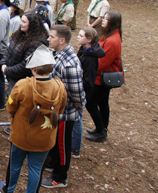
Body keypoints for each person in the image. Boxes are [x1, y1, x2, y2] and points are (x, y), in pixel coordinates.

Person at [0, 45, 67, 193]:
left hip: (21, 136)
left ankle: (9, 189)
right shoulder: (60, 87)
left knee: (15, 164)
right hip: (45, 138)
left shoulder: (23, 85)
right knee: (36, 169)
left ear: (33, 68)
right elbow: (61, 109)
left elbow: (11, 106)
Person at [42, 25, 85, 189]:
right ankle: (53, 165)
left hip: (65, 113)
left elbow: (77, 93)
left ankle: (59, 177)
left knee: (62, 145)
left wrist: (77, 109)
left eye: (51, 37)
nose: (48, 39)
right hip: (57, 110)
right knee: (55, 142)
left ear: (62, 40)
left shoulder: (69, 65)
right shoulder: (59, 54)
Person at [85, 11, 123, 143]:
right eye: (104, 18)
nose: (103, 21)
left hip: (101, 78)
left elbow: (102, 63)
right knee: (102, 103)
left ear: (113, 22)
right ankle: (101, 128)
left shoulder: (112, 40)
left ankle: (101, 130)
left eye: (106, 19)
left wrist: (88, 71)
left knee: (90, 103)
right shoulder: (108, 35)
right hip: (101, 77)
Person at [71, 27, 105, 158]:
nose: (78, 37)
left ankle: (75, 148)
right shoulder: (84, 50)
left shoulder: (90, 59)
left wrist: (80, 92)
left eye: (81, 35)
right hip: (79, 89)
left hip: (81, 92)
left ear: (89, 39)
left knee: (77, 118)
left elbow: (88, 81)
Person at [0, 13, 49, 97]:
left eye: (24, 22)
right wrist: (3, 63)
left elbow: (25, 66)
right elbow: (9, 50)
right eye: (21, 21)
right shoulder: (19, 35)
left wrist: (7, 71)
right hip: (13, 79)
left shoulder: (37, 43)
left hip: (24, 83)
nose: (20, 23)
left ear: (32, 24)